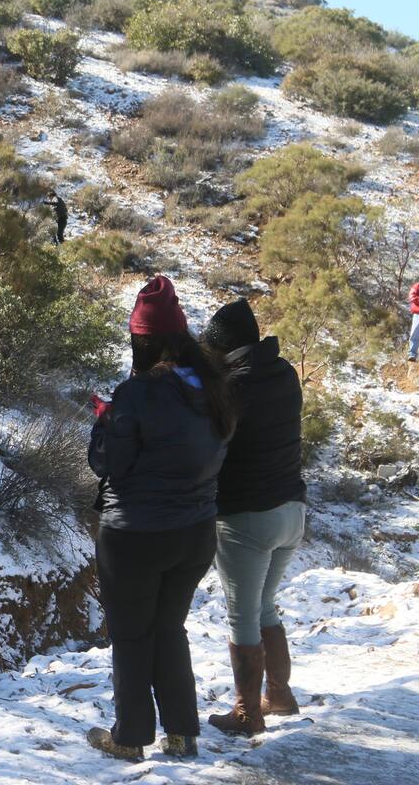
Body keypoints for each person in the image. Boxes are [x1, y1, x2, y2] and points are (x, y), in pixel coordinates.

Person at [85, 275, 235, 761]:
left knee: (131, 635)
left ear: (142, 340)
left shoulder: (135, 394)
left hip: (135, 536)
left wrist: (104, 422)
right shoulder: (212, 388)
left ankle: (130, 738)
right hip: (195, 533)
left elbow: (109, 465)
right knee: (169, 629)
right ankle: (182, 733)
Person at [201, 299, 307, 736]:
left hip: (247, 516)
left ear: (221, 348)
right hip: (292, 511)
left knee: (241, 616)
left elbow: (208, 446)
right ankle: (279, 693)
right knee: (265, 606)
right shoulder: (284, 373)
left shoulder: (232, 386)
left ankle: (247, 713)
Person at [407, 282, 419, 362]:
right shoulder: (417, 285)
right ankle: (412, 354)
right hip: (418, 313)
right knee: (414, 334)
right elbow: (412, 296)